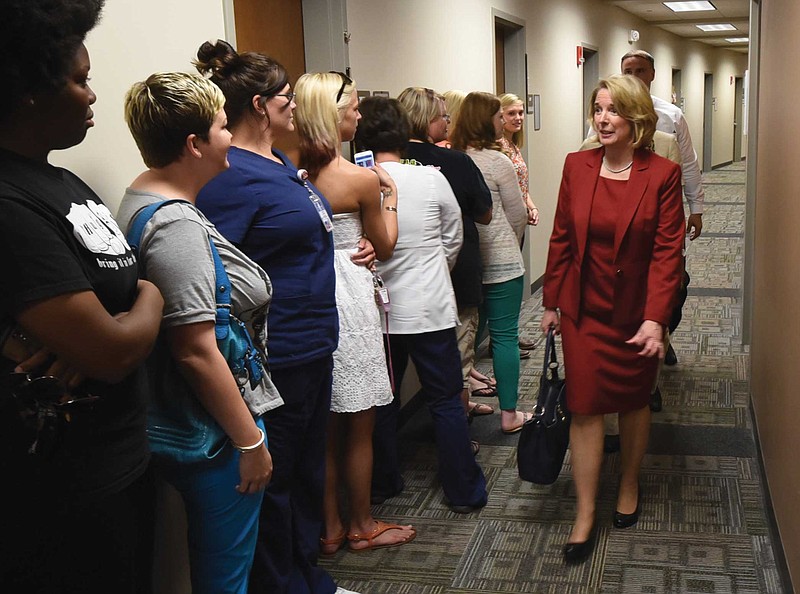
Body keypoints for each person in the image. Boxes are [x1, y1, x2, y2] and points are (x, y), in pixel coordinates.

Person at [0, 1, 164, 591]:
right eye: (80, 80)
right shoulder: (11, 202)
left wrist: (125, 312)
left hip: (119, 455)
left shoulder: (62, 180)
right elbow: (113, 352)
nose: (93, 95)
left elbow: (110, 323)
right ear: (28, 92)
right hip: (60, 488)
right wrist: (151, 297)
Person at [193, 40, 362, 594]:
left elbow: (301, 239)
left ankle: (307, 575)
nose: (295, 106)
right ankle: (283, 584)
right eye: (287, 97)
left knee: (307, 474)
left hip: (315, 343)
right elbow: (221, 271)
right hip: (276, 354)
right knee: (279, 478)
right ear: (260, 105)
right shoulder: (230, 175)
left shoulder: (282, 164)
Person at [116, 72, 280, 594]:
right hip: (214, 438)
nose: (231, 136)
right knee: (225, 578)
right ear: (194, 144)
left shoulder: (141, 197)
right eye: (222, 126)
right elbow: (194, 349)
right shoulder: (175, 226)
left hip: (194, 425)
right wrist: (249, 441)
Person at [540, 74, 685, 563]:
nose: (602, 119)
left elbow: (668, 254)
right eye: (598, 109)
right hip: (585, 309)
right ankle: (584, 512)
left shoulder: (663, 173)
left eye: (613, 110)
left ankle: (627, 483)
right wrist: (551, 302)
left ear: (636, 118)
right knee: (584, 406)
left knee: (633, 400)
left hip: (636, 314)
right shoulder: (576, 166)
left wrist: (655, 319)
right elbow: (561, 236)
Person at [294, 71, 415, 553]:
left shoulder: (288, 171)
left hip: (307, 295)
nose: (360, 115)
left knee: (322, 423)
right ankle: (362, 523)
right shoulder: (360, 179)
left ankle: (329, 527)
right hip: (349, 296)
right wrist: (390, 196)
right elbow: (384, 245)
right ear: (332, 111)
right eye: (353, 107)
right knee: (359, 422)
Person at [357, 96, 488, 514]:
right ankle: (463, 491)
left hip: (379, 313)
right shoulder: (430, 179)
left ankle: (383, 484)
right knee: (446, 399)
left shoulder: (354, 182)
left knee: (383, 400)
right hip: (429, 307)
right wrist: (432, 269)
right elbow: (454, 237)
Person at [397, 87, 494, 422]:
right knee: (457, 363)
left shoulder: (380, 159)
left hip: (397, 285)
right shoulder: (455, 161)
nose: (448, 121)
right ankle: (459, 434)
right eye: (443, 116)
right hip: (454, 275)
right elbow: (485, 213)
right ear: (426, 120)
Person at [450, 92, 529, 434]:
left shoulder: (449, 159)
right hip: (501, 263)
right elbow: (517, 215)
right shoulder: (498, 162)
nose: (503, 122)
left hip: (460, 265)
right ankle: (509, 415)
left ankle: (463, 404)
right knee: (504, 337)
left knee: (464, 339)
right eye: (499, 117)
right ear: (487, 121)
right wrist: (502, 239)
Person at [621, 50, 704, 369]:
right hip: (623, 220)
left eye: (640, 70)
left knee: (674, 285)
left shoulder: (670, 116)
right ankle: (644, 361)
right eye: (627, 70)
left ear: (652, 74)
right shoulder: (609, 115)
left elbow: (690, 164)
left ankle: (664, 332)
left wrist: (696, 207)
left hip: (664, 217)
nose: (634, 76)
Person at [498, 92, 541, 353]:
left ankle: (508, 336)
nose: (518, 118)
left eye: (521, 112)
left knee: (514, 281)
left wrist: (531, 206)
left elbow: (520, 187)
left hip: (519, 224)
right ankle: (503, 339)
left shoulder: (514, 145)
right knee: (507, 285)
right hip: (504, 225)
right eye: (511, 113)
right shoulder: (497, 146)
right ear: (499, 116)